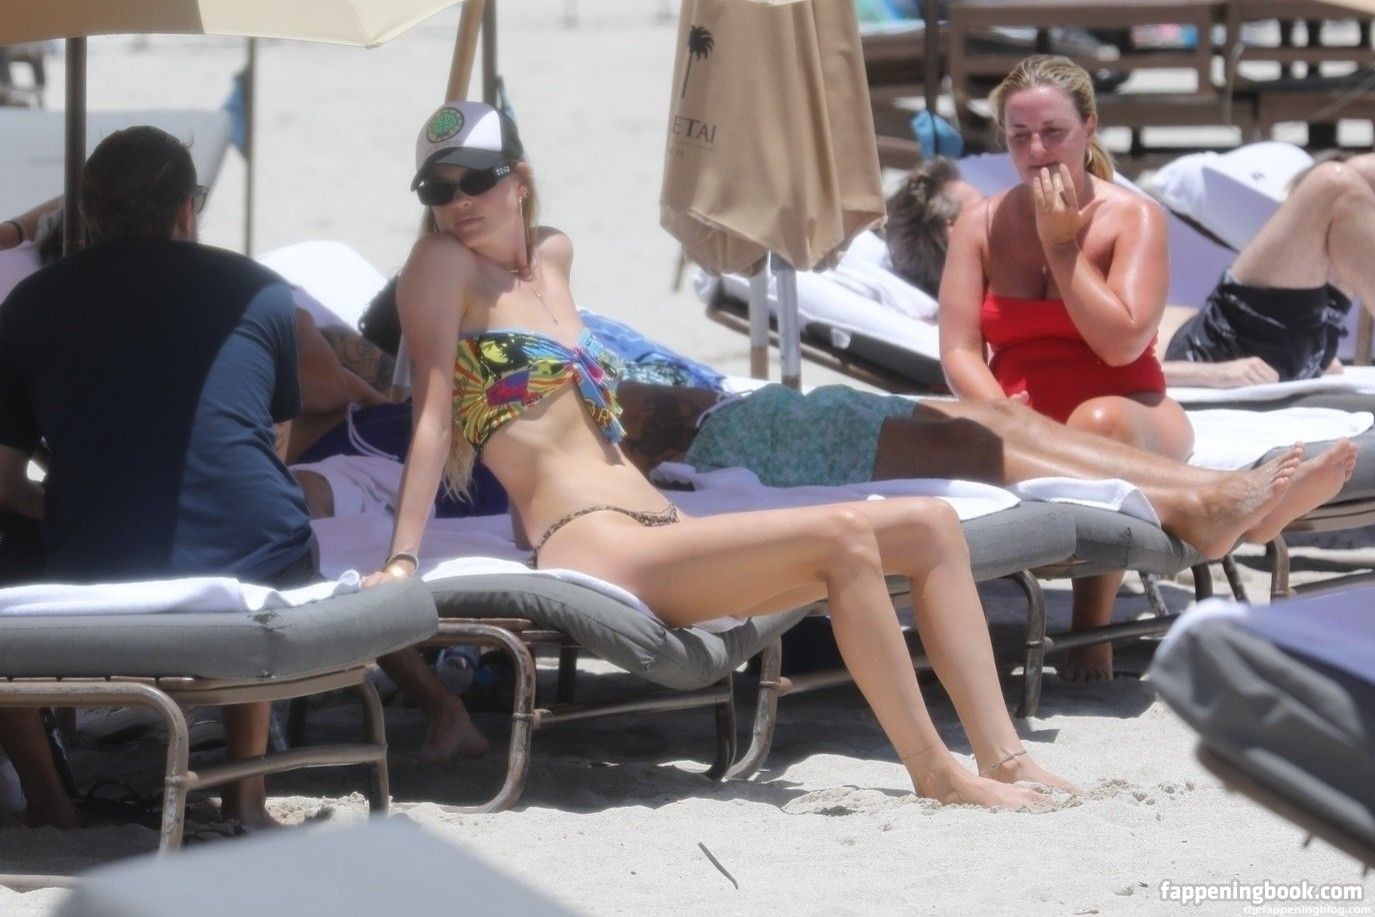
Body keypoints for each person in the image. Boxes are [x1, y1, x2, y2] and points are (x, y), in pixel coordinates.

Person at [364, 100, 1261, 810]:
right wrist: (403, 557)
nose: (456, 202)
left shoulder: (552, 258)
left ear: (519, 179)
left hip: (656, 516)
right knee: (843, 537)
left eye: (474, 180)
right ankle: (934, 770)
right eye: (437, 188)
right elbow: (434, 415)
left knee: (928, 523)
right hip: (590, 536)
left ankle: (1003, 754)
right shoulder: (440, 266)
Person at [935, 55, 1353, 682]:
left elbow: (1120, 346)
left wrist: (1062, 248)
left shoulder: (1133, 216)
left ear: (1089, 128)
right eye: (1019, 136)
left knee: (1097, 423)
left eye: (1053, 132)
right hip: (1021, 417)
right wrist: (998, 413)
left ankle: (1090, 625)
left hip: (1131, 408)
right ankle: (1247, 515)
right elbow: (959, 350)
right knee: (935, 427)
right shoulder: (980, 223)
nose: (1037, 151)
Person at [0, 127, 315, 829]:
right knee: (253, 528)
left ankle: (50, 800)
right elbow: (271, 450)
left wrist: (73, 505)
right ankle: (246, 794)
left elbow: (4, 484)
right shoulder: (259, 291)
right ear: (186, 209)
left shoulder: (29, 304)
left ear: (86, 213)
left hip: (94, 572)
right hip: (254, 571)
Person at [887, 149, 1375, 390]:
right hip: (1220, 348)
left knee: (1354, 174)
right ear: (954, 231)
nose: (1003, 205)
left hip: (1248, 336)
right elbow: (1077, 370)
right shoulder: (997, 308)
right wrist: (1212, 375)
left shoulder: (1032, 265)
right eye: (983, 205)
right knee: (1331, 184)